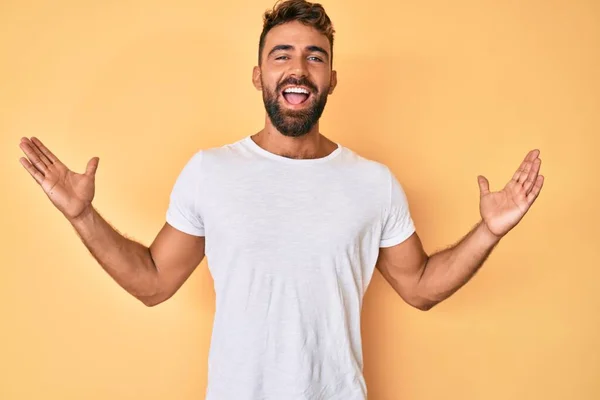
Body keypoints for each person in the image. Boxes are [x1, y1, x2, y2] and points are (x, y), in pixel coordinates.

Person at [17, 0, 544, 398]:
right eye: (282, 55)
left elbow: (421, 287)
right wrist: (83, 216)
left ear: (331, 79)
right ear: (258, 75)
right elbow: (153, 283)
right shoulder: (211, 171)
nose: (299, 68)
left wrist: (489, 230)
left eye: (315, 57)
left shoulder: (372, 182)